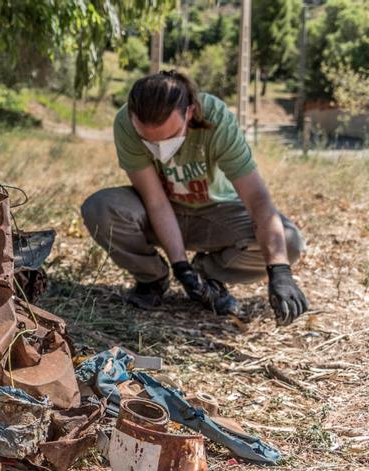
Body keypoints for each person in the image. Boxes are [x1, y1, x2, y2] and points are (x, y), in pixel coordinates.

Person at [81, 70, 308, 325]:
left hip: (216, 212)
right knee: (100, 207)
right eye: (147, 139)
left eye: (168, 137)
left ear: (189, 113)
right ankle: (153, 277)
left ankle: (207, 272)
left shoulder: (216, 117)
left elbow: (257, 199)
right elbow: (155, 201)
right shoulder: (125, 122)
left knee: (288, 243)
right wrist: (180, 266)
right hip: (163, 212)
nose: (158, 147)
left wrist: (279, 270)